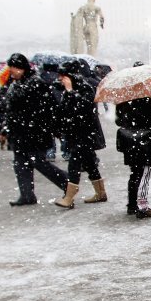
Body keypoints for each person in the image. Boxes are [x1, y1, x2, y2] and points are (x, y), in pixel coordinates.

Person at [0, 53, 68, 206]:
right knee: (20, 164)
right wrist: (5, 128)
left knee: (38, 162)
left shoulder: (36, 83)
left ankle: (67, 182)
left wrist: (47, 127)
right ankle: (27, 195)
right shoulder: (14, 84)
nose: (13, 71)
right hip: (19, 132)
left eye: (16, 68)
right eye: (11, 68)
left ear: (23, 68)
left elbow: (47, 109)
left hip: (34, 132)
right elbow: (9, 109)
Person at [53, 60, 107, 209]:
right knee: (89, 164)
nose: (60, 79)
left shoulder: (85, 88)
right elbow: (64, 111)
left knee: (74, 163)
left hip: (84, 133)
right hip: (76, 133)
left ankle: (69, 196)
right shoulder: (68, 89)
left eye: (63, 76)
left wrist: (70, 92)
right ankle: (101, 192)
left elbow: (84, 108)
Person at [116, 80, 151, 219]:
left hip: (129, 142)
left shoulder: (123, 101)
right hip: (145, 142)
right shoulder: (147, 101)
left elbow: (118, 121)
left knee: (135, 173)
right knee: (145, 173)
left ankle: (132, 205)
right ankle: (142, 206)